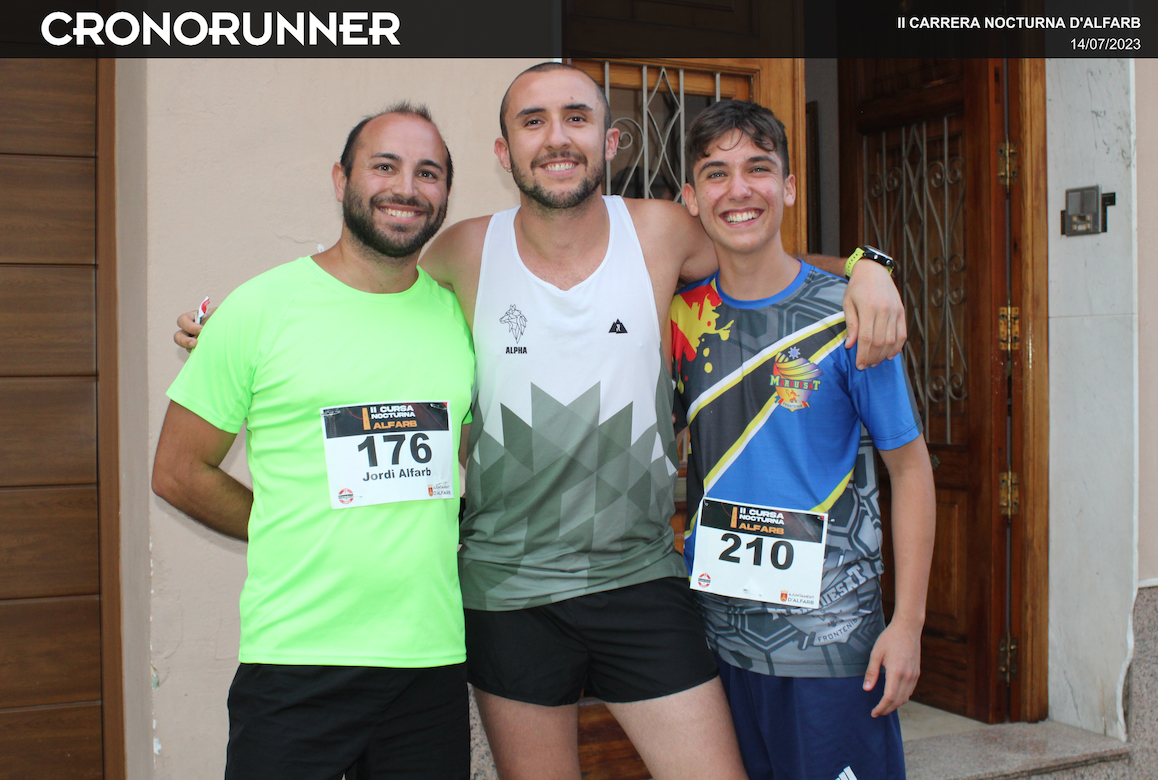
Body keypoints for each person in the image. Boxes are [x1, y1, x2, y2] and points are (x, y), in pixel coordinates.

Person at [176, 63, 908, 780]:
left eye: (576, 118)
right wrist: (237, 331)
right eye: (534, 121)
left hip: (640, 577)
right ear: (504, 152)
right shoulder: (461, 251)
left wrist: (865, 266)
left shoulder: (661, 230)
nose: (557, 137)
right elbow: (364, 286)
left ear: (610, 141)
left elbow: (764, 261)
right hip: (507, 592)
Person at [153, 104, 475, 780]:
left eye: (428, 173)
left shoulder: (460, 316)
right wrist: (283, 525)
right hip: (297, 662)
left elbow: (465, 451)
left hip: (429, 662)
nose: (406, 187)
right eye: (384, 166)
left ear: (446, 192)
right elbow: (179, 471)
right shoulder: (259, 309)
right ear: (340, 179)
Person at [670, 99, 936, 780]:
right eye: (716, 173)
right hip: (717, 647)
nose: (739, 189)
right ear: (691, 199)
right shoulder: (681, 318)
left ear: (788, 188)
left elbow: (910, 470)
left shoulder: (851, 314)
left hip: (832, 648)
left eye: (758, 169)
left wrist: (907, 624)